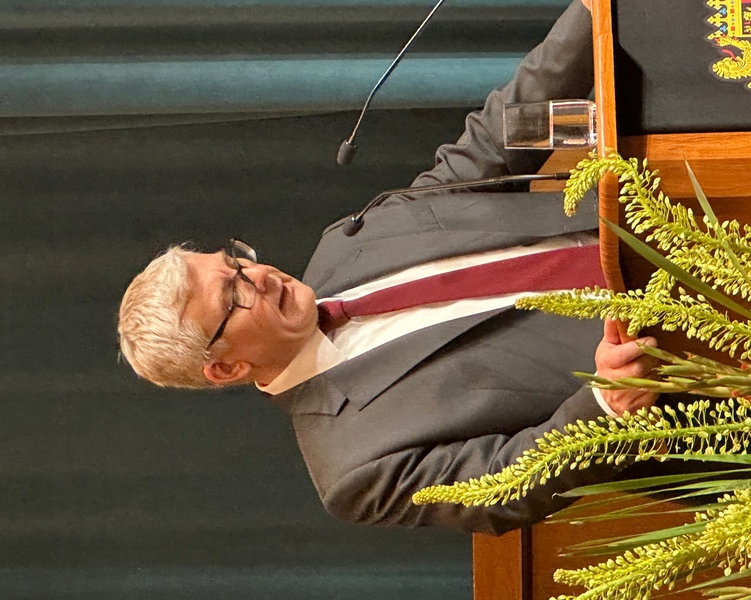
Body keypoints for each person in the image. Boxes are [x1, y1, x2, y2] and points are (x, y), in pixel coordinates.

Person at [118, 0, 659, 535]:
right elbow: (506, 483)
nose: (258, 278)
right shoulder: (354, 466)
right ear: (226, 368)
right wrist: (606, 405)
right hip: (696, 369)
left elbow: (494, 147)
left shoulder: (347, 242)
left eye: (235, 263)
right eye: (234, 298)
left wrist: (591, 17)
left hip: (687, 213)